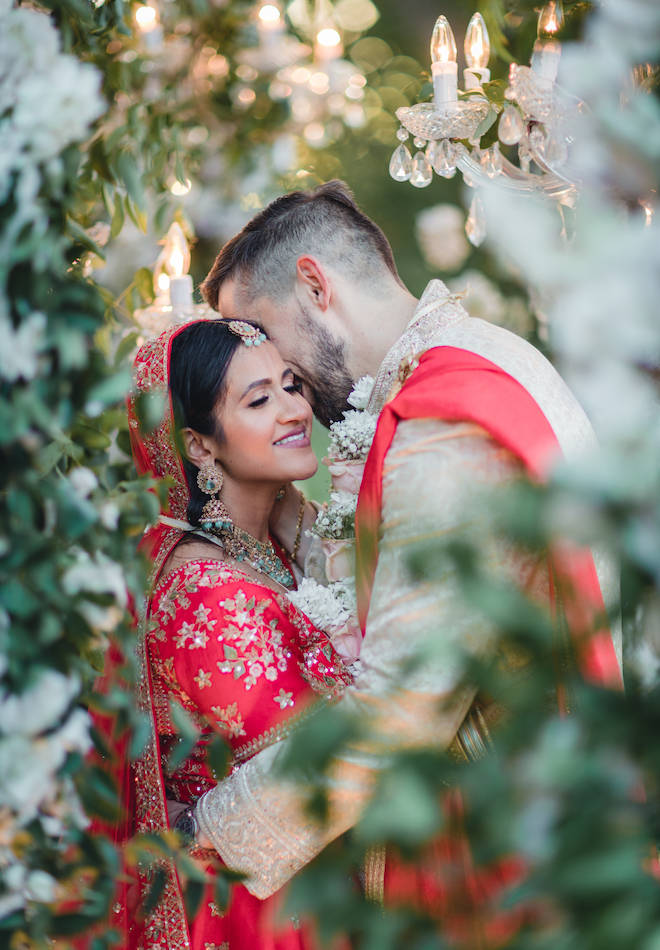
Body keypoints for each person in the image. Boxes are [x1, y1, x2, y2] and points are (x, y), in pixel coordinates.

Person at [181, 179, 624, 941]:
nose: (260, 361)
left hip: (506, 855)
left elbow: (400, 703)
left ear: (315, 286)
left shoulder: (443, 423)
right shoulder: (483, 360)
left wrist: (216, 825)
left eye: (259, 329)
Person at [118, 317, 352, 950]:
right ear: (198, 447)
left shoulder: (258, 542)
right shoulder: (209, 595)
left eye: (290, 384)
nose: (294, 409)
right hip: (254, 911)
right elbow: (325, 767)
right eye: (259, 399)